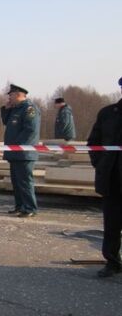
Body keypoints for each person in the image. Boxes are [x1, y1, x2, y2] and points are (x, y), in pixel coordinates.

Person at [87, 77, 122, 278]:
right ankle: (112, 261)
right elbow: (94, 142)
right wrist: (100, 164)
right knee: (112, 224)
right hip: (111, 179)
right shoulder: (108, 114)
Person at [1, 84, 41, 218]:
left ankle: (30, 207)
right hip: (14, 153)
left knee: (24, 181)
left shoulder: (29, 109)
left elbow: (31, 130)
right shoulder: (15, 109)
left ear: (18, 94)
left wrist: (19, 146)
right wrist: (6, 110)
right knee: (16, 182)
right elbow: (7, 122)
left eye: (11, 95)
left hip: (24, 153)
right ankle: (20, 206)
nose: (9, 98)